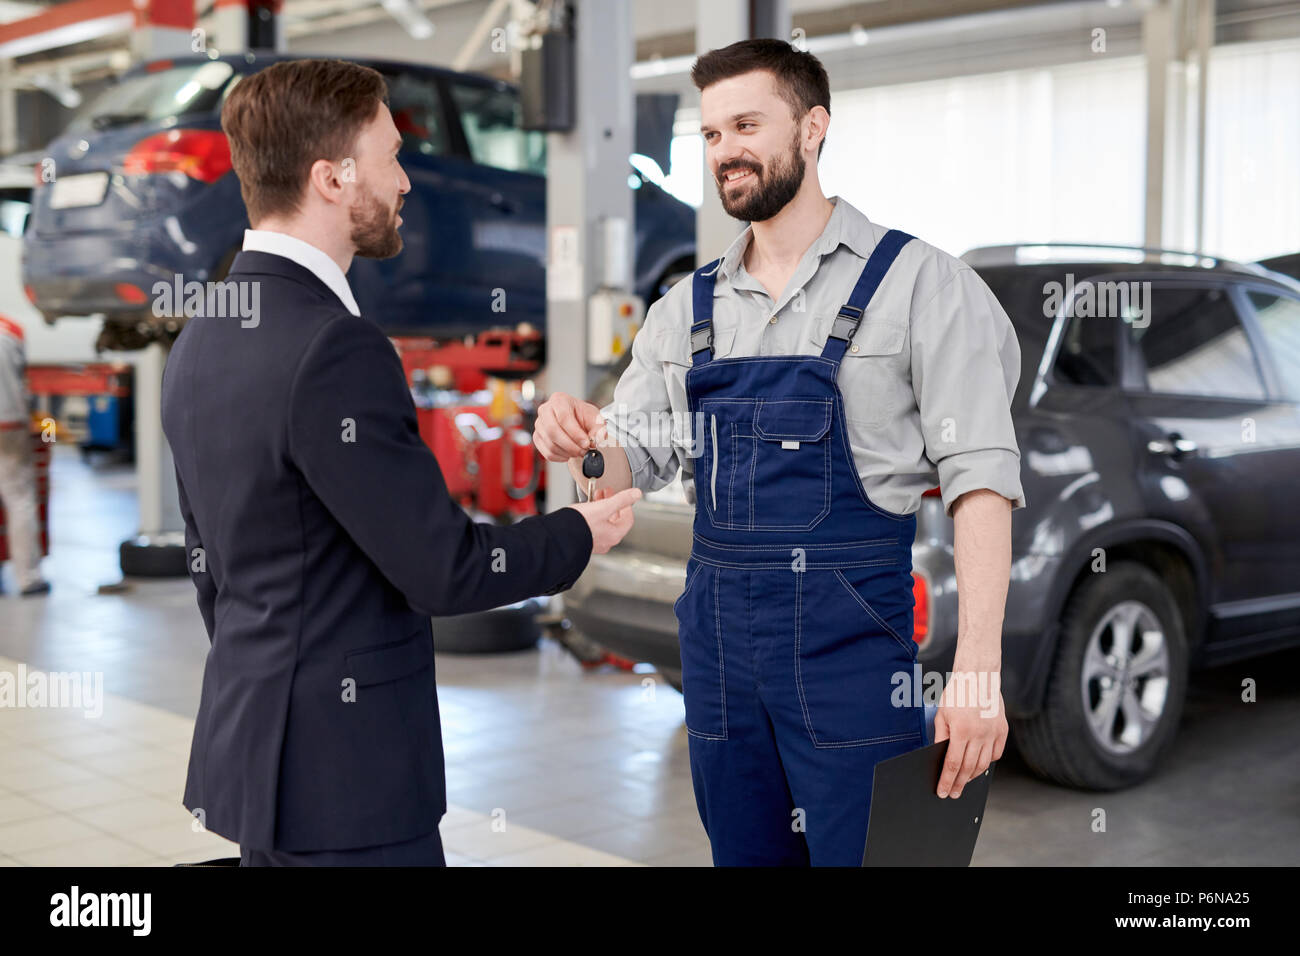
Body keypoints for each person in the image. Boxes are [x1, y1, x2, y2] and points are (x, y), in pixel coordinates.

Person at [534, 38, 1024, 866]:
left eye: (747, 124)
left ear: (813, 128)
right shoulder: (685, 308)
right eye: (713, 134)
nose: (726, 151)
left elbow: (982, 483)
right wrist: (578, 443)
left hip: (853, 658)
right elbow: (631, 459)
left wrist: (977, 674)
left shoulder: (921, 286)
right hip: (722, 661)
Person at [160, 59, 640, 867]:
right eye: (390, 156)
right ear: (333, 178)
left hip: (261, 765)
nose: (407, 182)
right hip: (350, 786)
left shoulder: (202, 334)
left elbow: (215, 571)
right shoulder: (335, 348)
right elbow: (444, 570)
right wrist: (578, 534)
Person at [0, 313, 49, 597]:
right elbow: (21, 380)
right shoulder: (12, 329)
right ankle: (28, 578)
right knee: (19, 500)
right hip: (10, 425)